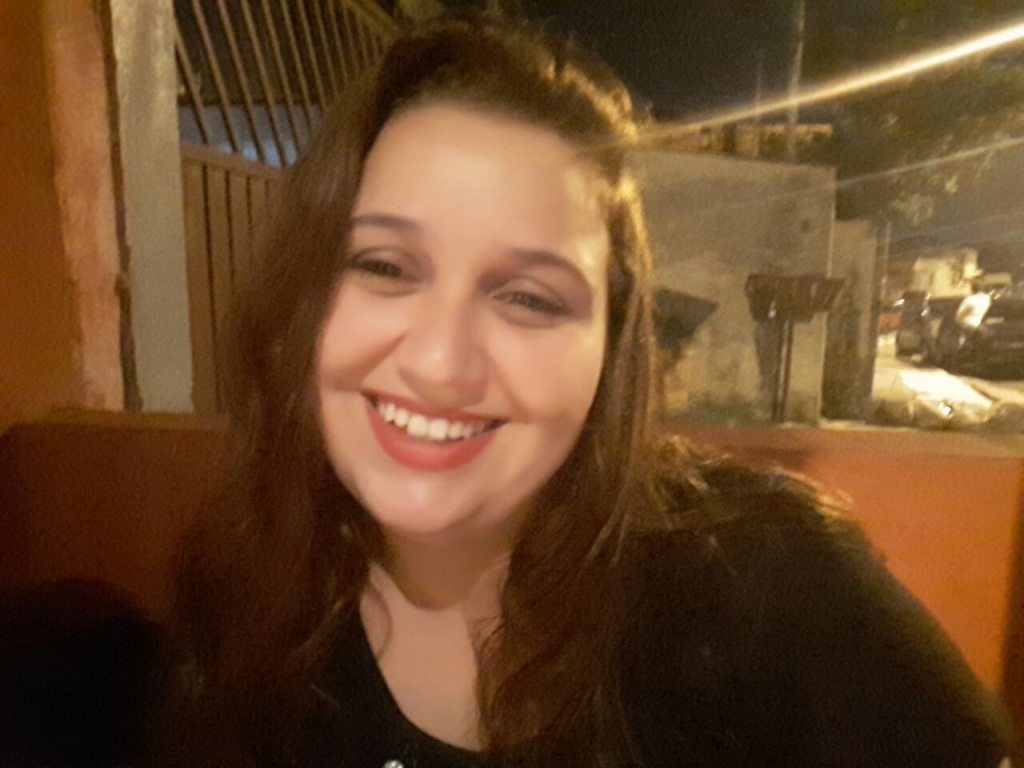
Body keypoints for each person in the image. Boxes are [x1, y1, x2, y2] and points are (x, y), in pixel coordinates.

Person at [160, 14, 1015, 768]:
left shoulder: (767, 582)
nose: (441, 362)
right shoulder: (244, 596)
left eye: (529, 298)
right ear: (304, 297)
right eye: (385, 266)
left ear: (611, 345)